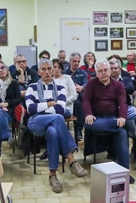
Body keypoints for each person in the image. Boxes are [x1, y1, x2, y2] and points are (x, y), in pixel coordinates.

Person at [26, 59, 89, 193]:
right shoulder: (32, 87)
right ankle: (71, 158)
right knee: (58, 118)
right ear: (39, 72)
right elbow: (30, 109)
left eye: (49, 69)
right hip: (35, 121)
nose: (47, 72)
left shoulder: (60, 88)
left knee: (53, 132)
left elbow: (60, 109)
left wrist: (41, 107)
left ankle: (52, 175)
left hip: (52, 122)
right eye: (43, 69)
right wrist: (50, 104)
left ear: (53, 70)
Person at [83, 61, 131, 178]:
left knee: (123, 134)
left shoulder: (118, 85)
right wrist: (88, 114)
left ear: (109, 71)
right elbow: (86, 100)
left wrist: (122, 117)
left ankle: (124, 173)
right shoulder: (91, 84)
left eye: (105, 70)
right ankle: (122, 127)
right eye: (100, 71)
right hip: (96, 120)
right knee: (120, 128)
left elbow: (123, 103)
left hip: (113, 118)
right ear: (96, 73)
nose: (103, 73)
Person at [0, 62, 20, 148]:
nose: (1, 70)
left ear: (6, 69)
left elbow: (18, 99)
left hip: (8, 112)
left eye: (2, 67)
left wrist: (7, 104)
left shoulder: (14, 83)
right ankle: (7, 136)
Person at [64, 52, 88, 141]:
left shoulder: (83, 73)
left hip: (78, 96)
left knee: (79, 103)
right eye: (74, 61)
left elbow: (86, 84)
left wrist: (82, 87)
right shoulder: (64, 73)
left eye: (78, 61)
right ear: (70, 61)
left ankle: (78, 129)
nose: (76, 63)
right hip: (67, 96)